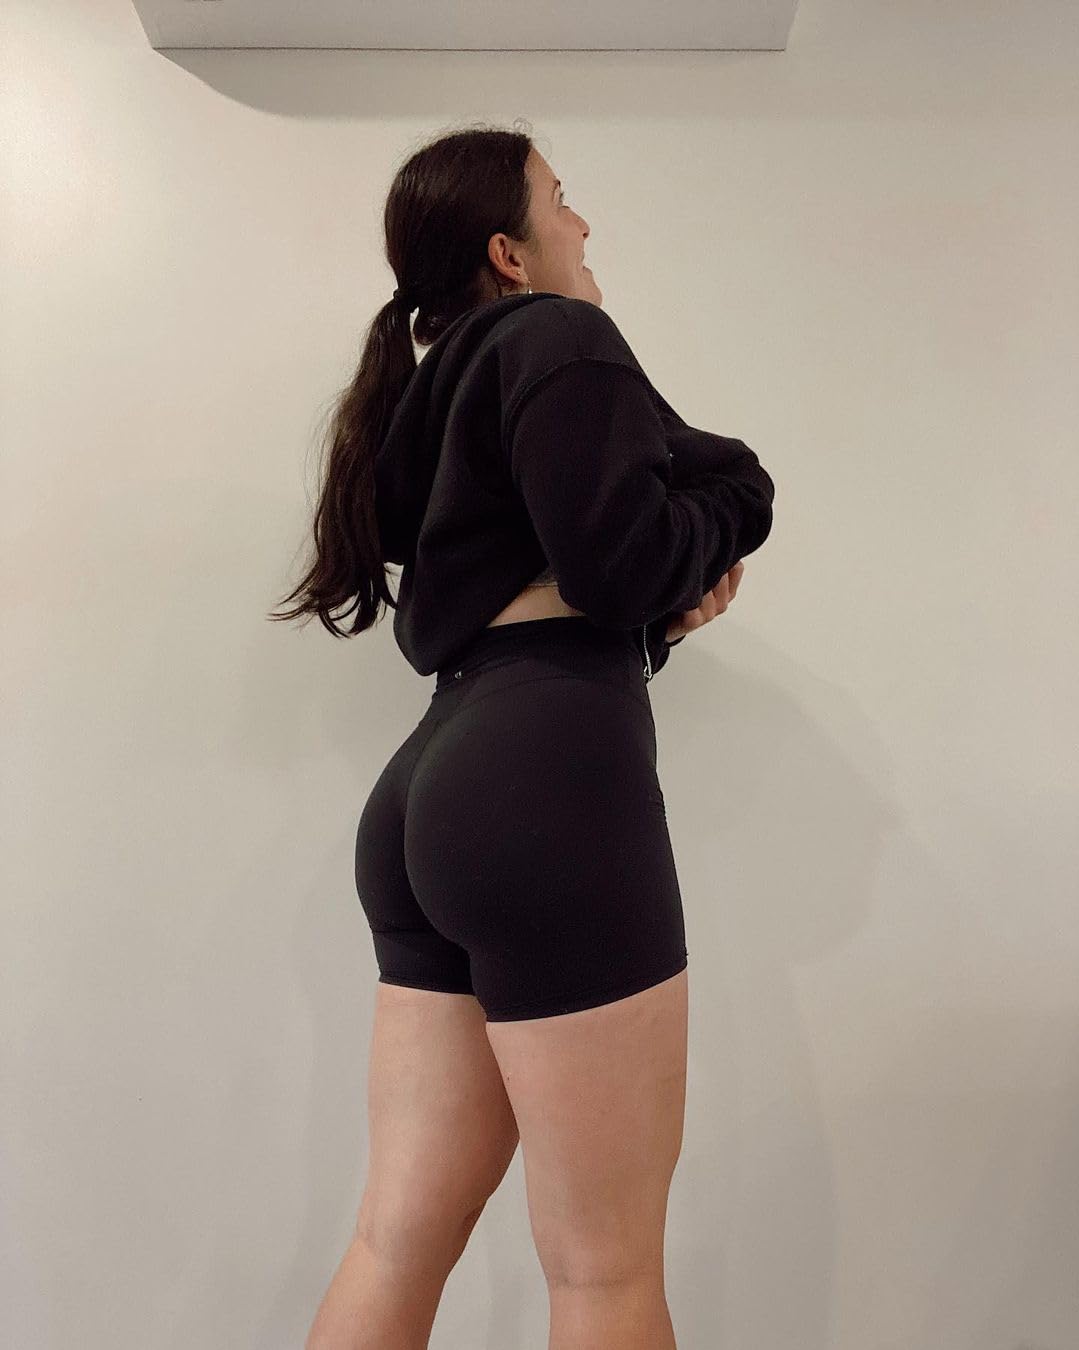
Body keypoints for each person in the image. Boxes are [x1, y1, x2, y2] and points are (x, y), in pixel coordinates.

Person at [270, 121, 774, 1350]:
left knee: (395, 1239)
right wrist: (703, 540)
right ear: (509, 251)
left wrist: (664, 583)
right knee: (604, 1272)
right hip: (546, 772)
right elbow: (621, 560)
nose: (584, 226)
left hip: (431, 783)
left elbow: (590, 557)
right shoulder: (557, 333)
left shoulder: (426, 400)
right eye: (562, 200)